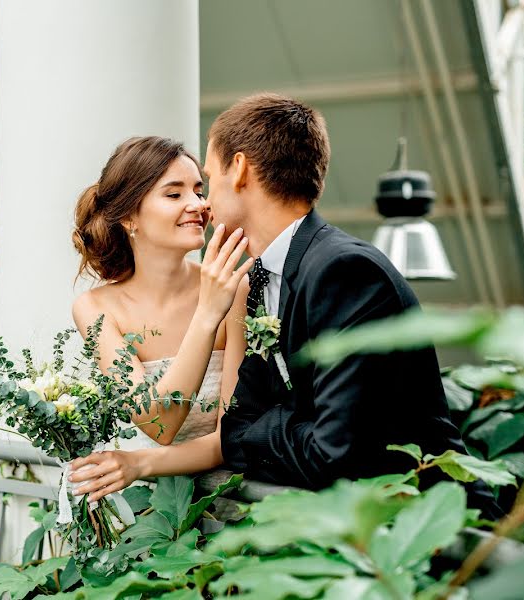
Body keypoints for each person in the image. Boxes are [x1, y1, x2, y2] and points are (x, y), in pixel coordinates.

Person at [73, 92, 480, 506]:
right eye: (176, 194)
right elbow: (255, 419)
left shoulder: (342, 272)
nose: (203, 204)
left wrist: (256, 427)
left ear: (240, 170)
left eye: (205, 183)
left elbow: (315, 443)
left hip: (425, 521)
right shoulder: (270, 272)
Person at [69, 136, 251, 499]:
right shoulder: (95, 308)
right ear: (129, 216)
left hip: (226, 504)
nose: (198, 205)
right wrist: (207, 315)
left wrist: (139, 463)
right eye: (174, 194)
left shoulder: (234, 288)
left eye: (199, 191)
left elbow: (227, 438)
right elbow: (160, 423)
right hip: (141, 507)